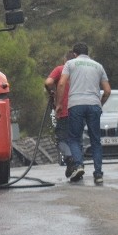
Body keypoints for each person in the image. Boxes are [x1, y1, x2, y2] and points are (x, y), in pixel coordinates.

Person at [56, 42, 112, 184]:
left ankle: (79, 165)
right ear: (88, 53)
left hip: (76, 104)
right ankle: (98, 174)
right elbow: (107, 90)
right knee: (95, 140)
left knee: (74, 138)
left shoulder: (71, 64)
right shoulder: (98, 66)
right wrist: (100, 103)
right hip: (93, 104)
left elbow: (61, 83)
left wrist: (58, 104)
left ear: (74, 54)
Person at [45, 50, 77, 178]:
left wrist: (51, 91)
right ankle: (77, 164)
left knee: (62, 139)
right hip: (78, 110)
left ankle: (69, 159)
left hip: (64, 110)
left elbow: (48, 82)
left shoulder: (60, 69)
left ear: (65, 60)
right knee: (76, 139)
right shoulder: (80, 71)